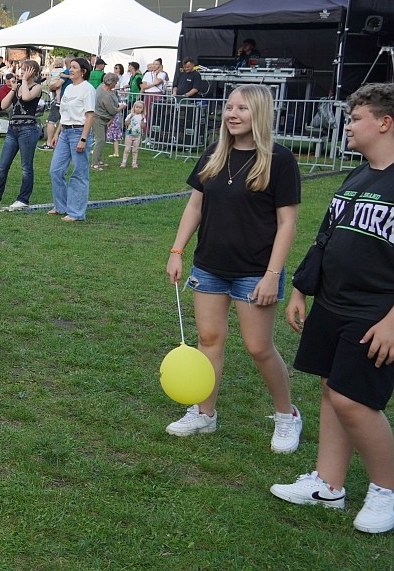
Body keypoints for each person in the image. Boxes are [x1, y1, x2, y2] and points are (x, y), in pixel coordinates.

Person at [272, 83, 394, 534]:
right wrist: (302, 289)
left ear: (385, 122)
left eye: (356, 118)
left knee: (354, 398)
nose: (347, 125)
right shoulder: (357, 176)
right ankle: (328, 485)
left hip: (377, 311)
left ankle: (386, 489)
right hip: (333, 302)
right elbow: (325, 237)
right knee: (331, 390)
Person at [164, 84, 303, 453]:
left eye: (241, 108)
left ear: (258, 113)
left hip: (256, 271)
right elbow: (195, 206)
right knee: (209, 340)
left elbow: (287, 223)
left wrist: (273, 275)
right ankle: (205, 413)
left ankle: (287, 415)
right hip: (210, 265)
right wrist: (177, 250)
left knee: (259, 347)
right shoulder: (214, 154)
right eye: (228, 108)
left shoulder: (279, 160)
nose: (232, 114)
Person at [0, 59, 43, 210]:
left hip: (28, 130)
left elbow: (26, 97)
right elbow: (3, 106)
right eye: (22, 69)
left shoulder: (37, 87)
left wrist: (23, 81)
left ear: (34, 72)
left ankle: (23, 199)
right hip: (13, 129)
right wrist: (12, 89)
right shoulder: (18, 87)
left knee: (26, 167)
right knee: (2, 165)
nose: (22, 71)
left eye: (26, 69)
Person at [49, 58, 96, 222]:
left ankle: (76, 212)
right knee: (55, 170)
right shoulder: (68, 89)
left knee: (79, 173)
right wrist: (56, 134)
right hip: (65, 132)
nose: (71, 70)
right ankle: (61, 206)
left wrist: (83, 138)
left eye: (74, 67)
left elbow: (90, 115)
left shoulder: (88, 89)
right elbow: (64, 115)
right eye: (70, 67)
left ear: (83, 71)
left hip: (78, 131)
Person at [90, 72, 125, 171]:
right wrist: (121, 107)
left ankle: (99, 160)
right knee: (100, 140)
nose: (116, 84)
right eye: (115, 82)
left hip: (102, 118)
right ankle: (94, 163)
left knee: (103, 139)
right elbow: (112, 110)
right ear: (111, 82)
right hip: (98, 119)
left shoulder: (102, 87)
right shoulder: (105, 95)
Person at [121, 100, 146, 169]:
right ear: (134, 107)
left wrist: (142, 121)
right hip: (129, 134)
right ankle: (124, 162)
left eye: (140, 107)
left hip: (137, 135)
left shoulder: (142, 117)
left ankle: (134, 162)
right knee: (127, 149)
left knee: (135, 149)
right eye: (137, 107)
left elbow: (143, 126)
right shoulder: (130, 115)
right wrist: (130, 118)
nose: (138, 109)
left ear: (142, 109)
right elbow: (126, 124)